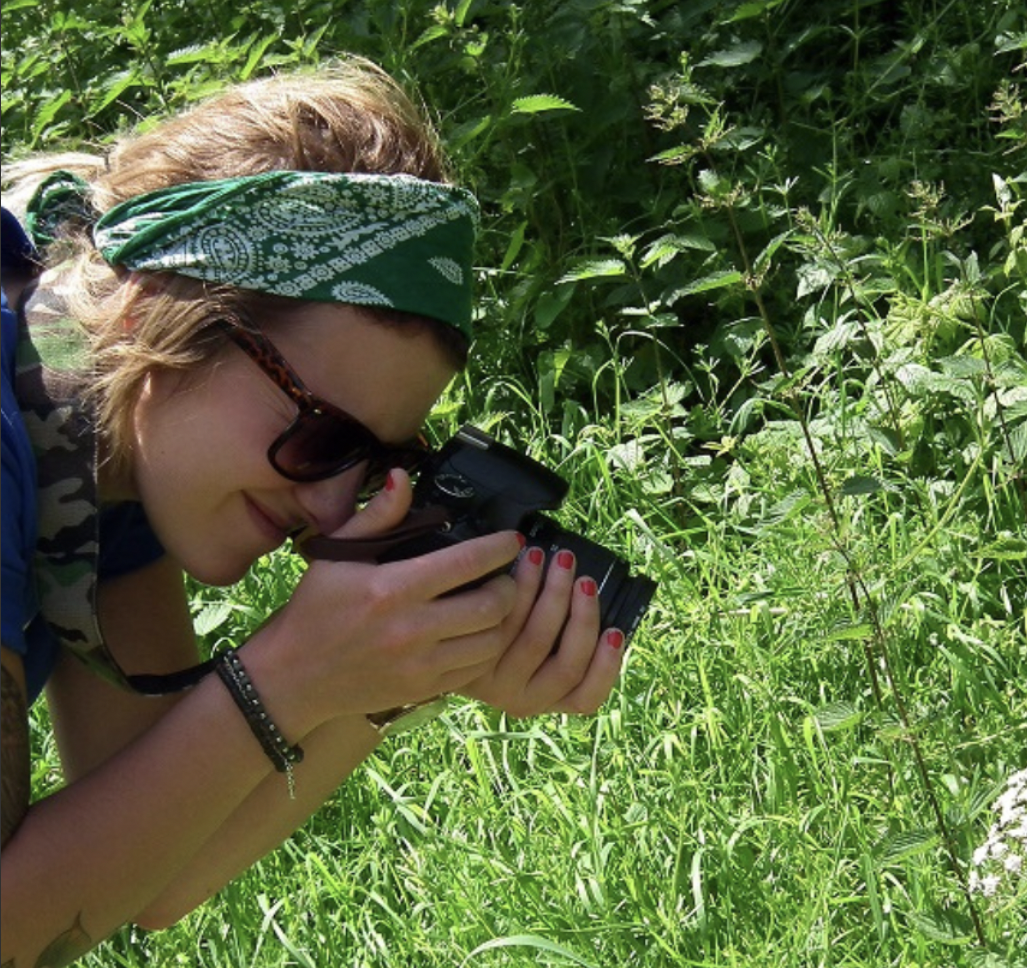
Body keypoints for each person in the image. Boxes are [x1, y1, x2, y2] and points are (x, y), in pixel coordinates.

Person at [0, 60, 626, 966]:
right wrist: (288, 675)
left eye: (376, 463)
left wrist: (389, 672)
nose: (330, 506)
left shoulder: (117, 443)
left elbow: (153, 876)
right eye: (321, 431)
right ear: (150, 313)